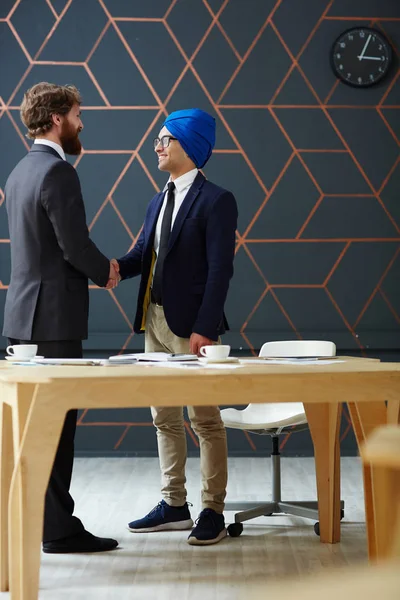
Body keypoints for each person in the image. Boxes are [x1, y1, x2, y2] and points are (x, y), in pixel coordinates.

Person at [2, 82, 119, 554]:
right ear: (56, 119)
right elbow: (73, 246)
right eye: (76, 114)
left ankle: (35, 523)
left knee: (29, 428)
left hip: (19, 322)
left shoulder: (18, 172)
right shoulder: (59, 173)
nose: (81, 122)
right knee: (57, 427)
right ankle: (58, 530)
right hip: (53, 323)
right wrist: (106, 273)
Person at [113, 108, 238, 545]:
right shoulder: (157, 200)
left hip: (193, 329)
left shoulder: (217, 201)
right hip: (155, 321)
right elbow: (143, 254)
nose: (158, 146)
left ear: (190, 145)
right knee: (163, 415)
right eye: (159, 140)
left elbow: (221, 270)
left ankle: (213, 510)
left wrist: (205, 327)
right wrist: (112, 268)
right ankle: (174, 505)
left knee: (205, 419)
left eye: (166, 139)